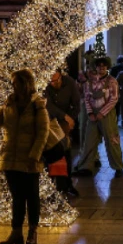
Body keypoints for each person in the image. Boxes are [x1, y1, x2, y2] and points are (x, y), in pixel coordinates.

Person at [0, 69, 49, 244]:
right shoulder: (9, 103)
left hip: (29, 159)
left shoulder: (37, 105)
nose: (13, 86)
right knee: (17, 197)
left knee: (32, 196)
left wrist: (35, 155)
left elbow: (43, 132)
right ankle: (16, 232)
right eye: (13, 83)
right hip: (10, 157)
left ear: (26, 84)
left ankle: (32, 232)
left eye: (17, 83)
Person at [79, 57, 123, 178]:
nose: (101, 68)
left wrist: (102, 113)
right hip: (93, 116)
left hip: (107, 115)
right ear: (96, 67)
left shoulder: (112, 81)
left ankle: (118, 167)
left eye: (104, 66)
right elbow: (87, 98)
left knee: (112, 140)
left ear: (107, 67)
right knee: (89, 141)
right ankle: (85, 166)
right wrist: (90, 113)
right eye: (99, 66)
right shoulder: (90, 82)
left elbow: (114, 99)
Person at [44, 69, 80, 197]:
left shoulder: (70, 83)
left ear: (61, 76)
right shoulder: (46, 85)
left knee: (66, 152)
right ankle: (53, 185)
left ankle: (67, 184)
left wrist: (70, 120)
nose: (54, 83)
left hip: (65, 122)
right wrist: (65, 116)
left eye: (56, 80)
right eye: (51, 81)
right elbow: (49, 106)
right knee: (53, 153)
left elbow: (76, 104)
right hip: (51, 121)